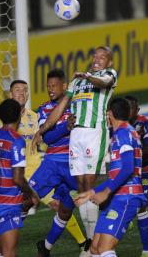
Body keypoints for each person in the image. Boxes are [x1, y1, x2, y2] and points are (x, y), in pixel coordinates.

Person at [32, 46, 118, 243]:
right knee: (81, 188)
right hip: (76, 135)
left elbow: (103, 82)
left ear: (109, 62)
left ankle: (95, 242)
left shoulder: (109, 74)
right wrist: (42, 129)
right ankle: (92, 240)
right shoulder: (77, 81)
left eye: (102, 57)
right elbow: (60, 107)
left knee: (88, 184)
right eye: (95, 56)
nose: (97, 59)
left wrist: (88, 76)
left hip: (94, 132)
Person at [74, 97, 147, 257]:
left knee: (105, 248)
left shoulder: (123, 133)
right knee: (95, 248)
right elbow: (116, 176)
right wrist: (91, 193)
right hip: (117, 198)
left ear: (109, 114)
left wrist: (105, 192)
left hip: (126, 198)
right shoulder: (124, 133)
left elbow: (128, 168)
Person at [0, 80, 41, 257]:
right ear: (18, 118)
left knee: (2, 251)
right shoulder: (15, 140)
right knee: (10, 252)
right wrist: (32, 194)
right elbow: (18, 178)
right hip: (7, 203)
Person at [29, 69, 88, 256]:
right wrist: (65, 126)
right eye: (48, 87)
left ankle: (45, 248)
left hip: (74, 163)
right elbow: (48, 138)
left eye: (54, 86)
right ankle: (3, 231)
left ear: (65, 86)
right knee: (27, 198)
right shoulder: (44, 109)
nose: (50, 90)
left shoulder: (78, 106)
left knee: (65, 211)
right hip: (53, 163)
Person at [125, 95, 148, 257]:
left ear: (137, 110)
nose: (128, 110)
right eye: (126, 107)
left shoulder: (145, 124)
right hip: (128, 172)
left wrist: (131, 157)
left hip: (147, 170)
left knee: (141, 205)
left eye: (132, 107)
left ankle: (147, 251)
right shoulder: (117, 125)